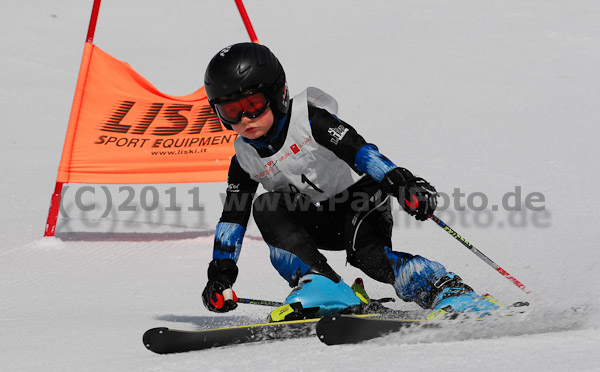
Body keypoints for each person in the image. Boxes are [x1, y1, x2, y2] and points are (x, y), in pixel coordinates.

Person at [201, 42, 497, 320]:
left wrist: (401, 182)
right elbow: (232, 218)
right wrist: (221, 274)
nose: (244, 119)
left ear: (277, 94)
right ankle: (322, 285)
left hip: (360, 198)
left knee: (368, 257)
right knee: (266, 206)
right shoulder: (244, 159)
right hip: (318, 218)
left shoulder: (310, 120)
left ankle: (447, 290)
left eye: (253, 104)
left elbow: (360, 151)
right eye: (231, 112)